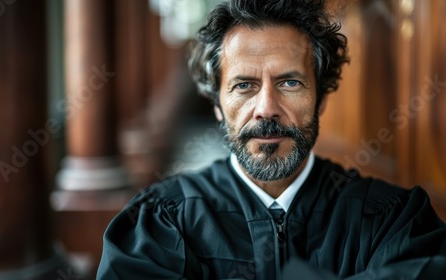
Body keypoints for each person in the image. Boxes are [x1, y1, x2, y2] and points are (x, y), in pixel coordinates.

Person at [97, 0, 446, 279]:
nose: (266, 109)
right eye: (244, 85)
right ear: (217, 105)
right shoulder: (161, 223)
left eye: (289, 83)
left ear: (321, 98)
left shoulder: (394, 222)